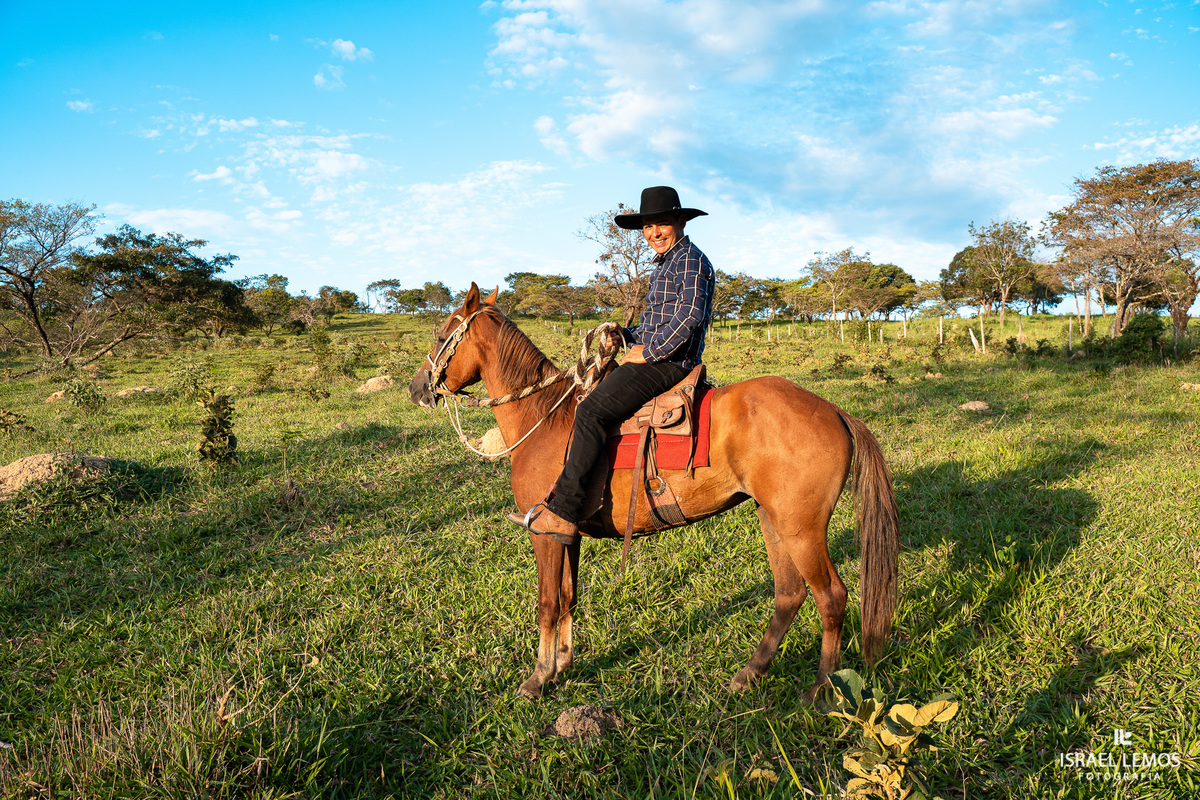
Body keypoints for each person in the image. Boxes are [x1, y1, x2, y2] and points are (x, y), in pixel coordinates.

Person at [509, 186, 716, 540]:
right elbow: (657, 324)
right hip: (660, 356)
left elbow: (690, 317)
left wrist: (648, 353)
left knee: (590, 410)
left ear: (680, 221)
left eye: (662, 224)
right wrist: (625, 334)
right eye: (648, 228)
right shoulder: (667, 263)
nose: (654, 234)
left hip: (670, 362)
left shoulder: (692, 261)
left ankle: (565, 510)